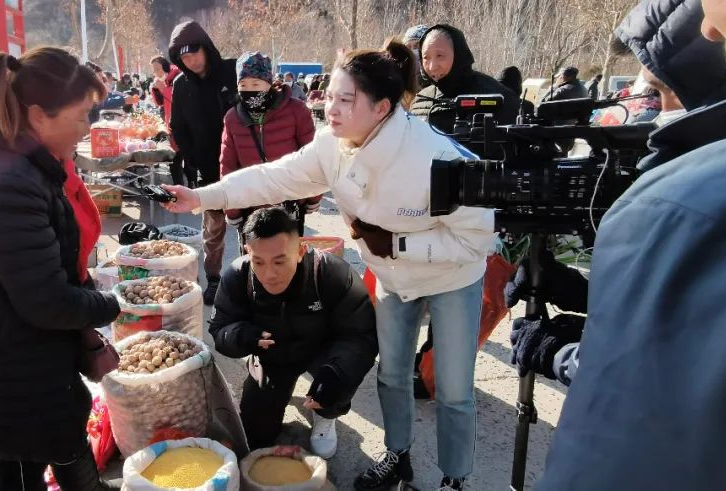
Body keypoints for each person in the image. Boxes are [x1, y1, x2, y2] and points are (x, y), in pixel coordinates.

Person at [161, 38, 496, 491]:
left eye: (345, 100)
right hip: (395, 281)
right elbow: (269, 178)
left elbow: (479, 238)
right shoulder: (332, 147)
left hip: (453, 277)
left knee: (453, 392)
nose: (330, 108)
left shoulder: (435, 158)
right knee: (393, 375)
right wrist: (202, 197)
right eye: (329, 96)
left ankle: (455, 478)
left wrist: (397, 245)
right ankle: (398, 456)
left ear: (381, 108)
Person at [514, 0, 726, 487]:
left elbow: (647, 425)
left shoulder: (680, 204)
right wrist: (599, 298)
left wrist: (565, 354)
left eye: (662, 96)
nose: (710, 26)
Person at [0, 47, 121, 491]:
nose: (88, 129)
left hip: (11, 347)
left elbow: (50, 265)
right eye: (82, 115)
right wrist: (114, 304)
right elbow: (46, 300)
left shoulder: (22, 158)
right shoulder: (3, 180)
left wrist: (88, 333)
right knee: (31, 455)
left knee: (42, 447)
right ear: (38, 115)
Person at [209, 207, 378, 458]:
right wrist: (244, 337)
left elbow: (361, 335)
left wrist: (337, 374)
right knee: (256, 437)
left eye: (279, 261)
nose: (269, 274)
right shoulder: (237, 275)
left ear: (300, 251)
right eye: (259, 262)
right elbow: (220, 329)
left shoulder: (332, 273)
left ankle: (325, 415)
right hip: (272, 355)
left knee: (337, 384)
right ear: (248, 252)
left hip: (322, 351)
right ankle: (266, 385)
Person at [168, 20, 239, 305]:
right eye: (184, 57)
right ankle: (213, 278)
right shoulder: (181, 85)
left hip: (243, 164)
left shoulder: (232, 72)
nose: (191, 61)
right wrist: (192, 160)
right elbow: (178, 126)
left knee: (249, 224)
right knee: (213, 228)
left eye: (195, 53)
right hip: (208, 168)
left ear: (207, 48)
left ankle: (252, 278)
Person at [220, 52, 319, 245]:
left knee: (288, 261)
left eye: (256, 84)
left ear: (269, 82)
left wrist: (313, 197)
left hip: (289, 203)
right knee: (254, 263)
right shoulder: (233, 118)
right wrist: (231, 208)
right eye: (243, 85)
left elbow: (313, 157)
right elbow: (228, 167)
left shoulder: (296, 110)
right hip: (250, 205)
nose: (250, 90)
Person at [410, 25, 520, 135]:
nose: (432, 66)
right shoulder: (420, 101)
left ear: (458, 54)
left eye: (440, 56)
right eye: (426, 58)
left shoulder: (498, 97)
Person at [150, 55, 190, 187]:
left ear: (165, 66)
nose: (156, 73)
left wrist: (163, 89)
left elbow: (180, 99)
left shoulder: (178, 76)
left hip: (186, 123)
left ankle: (191, 183)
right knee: (174, 158)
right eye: (153, 70)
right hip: (171, 123)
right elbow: (160, 103)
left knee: (189, 157)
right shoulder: (163, 80)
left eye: (157, 69)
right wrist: (155, 90)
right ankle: (178, 186)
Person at [402, 24, 432, 89]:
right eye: (408, 47)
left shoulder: (438, 79)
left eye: (417, 46)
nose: (413, 51)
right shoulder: (401, 81)